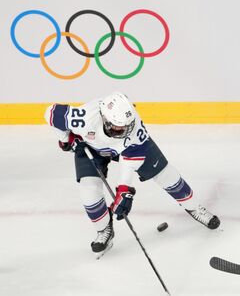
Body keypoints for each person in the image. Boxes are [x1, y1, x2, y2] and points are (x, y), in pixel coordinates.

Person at [44, 92, 220, 257]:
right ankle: (104, 229)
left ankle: (194, 207)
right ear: (104, 119)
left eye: (125, 127)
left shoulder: (134, 129)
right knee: (88, 192)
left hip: (129, 149)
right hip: (90, 147)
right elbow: (50, 113)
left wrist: (124, 189)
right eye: (118, 129)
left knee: (166, 174)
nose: (124, 131)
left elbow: (129, 161)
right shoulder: (83, 118)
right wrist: (66, 139)